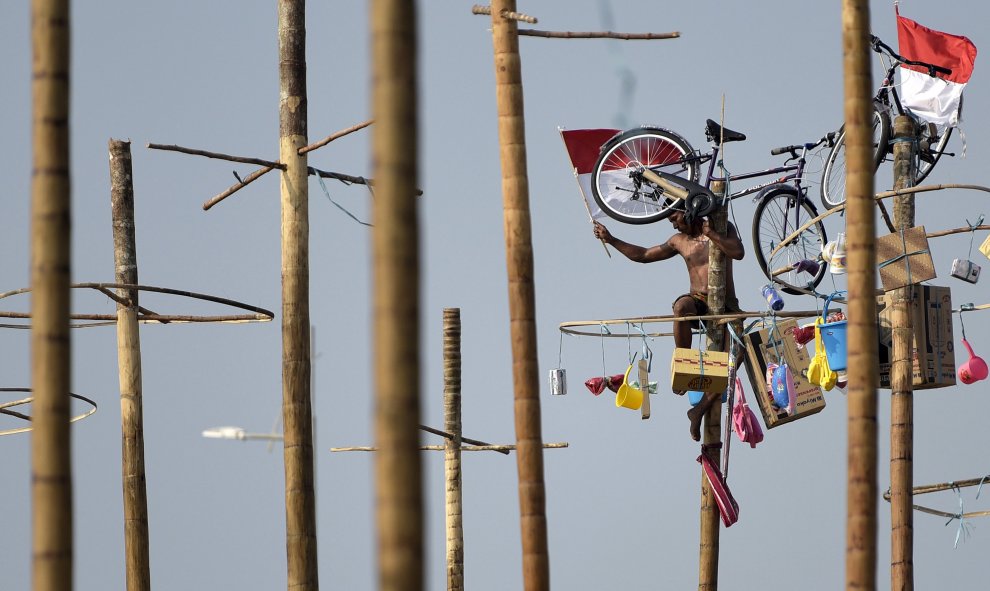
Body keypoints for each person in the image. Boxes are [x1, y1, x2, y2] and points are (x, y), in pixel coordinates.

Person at [593, 212, 745, 441]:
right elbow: (643, 255)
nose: (674, 223)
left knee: (732, 360)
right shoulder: (678, 241)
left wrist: (711, 234)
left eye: (676, 217)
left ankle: (699, 410)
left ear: (690, 211)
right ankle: (685, 369)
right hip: (699, 302)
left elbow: (738, 252)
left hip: (727, 305)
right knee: (681, 306)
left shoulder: (721, 227)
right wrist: (611, 239)